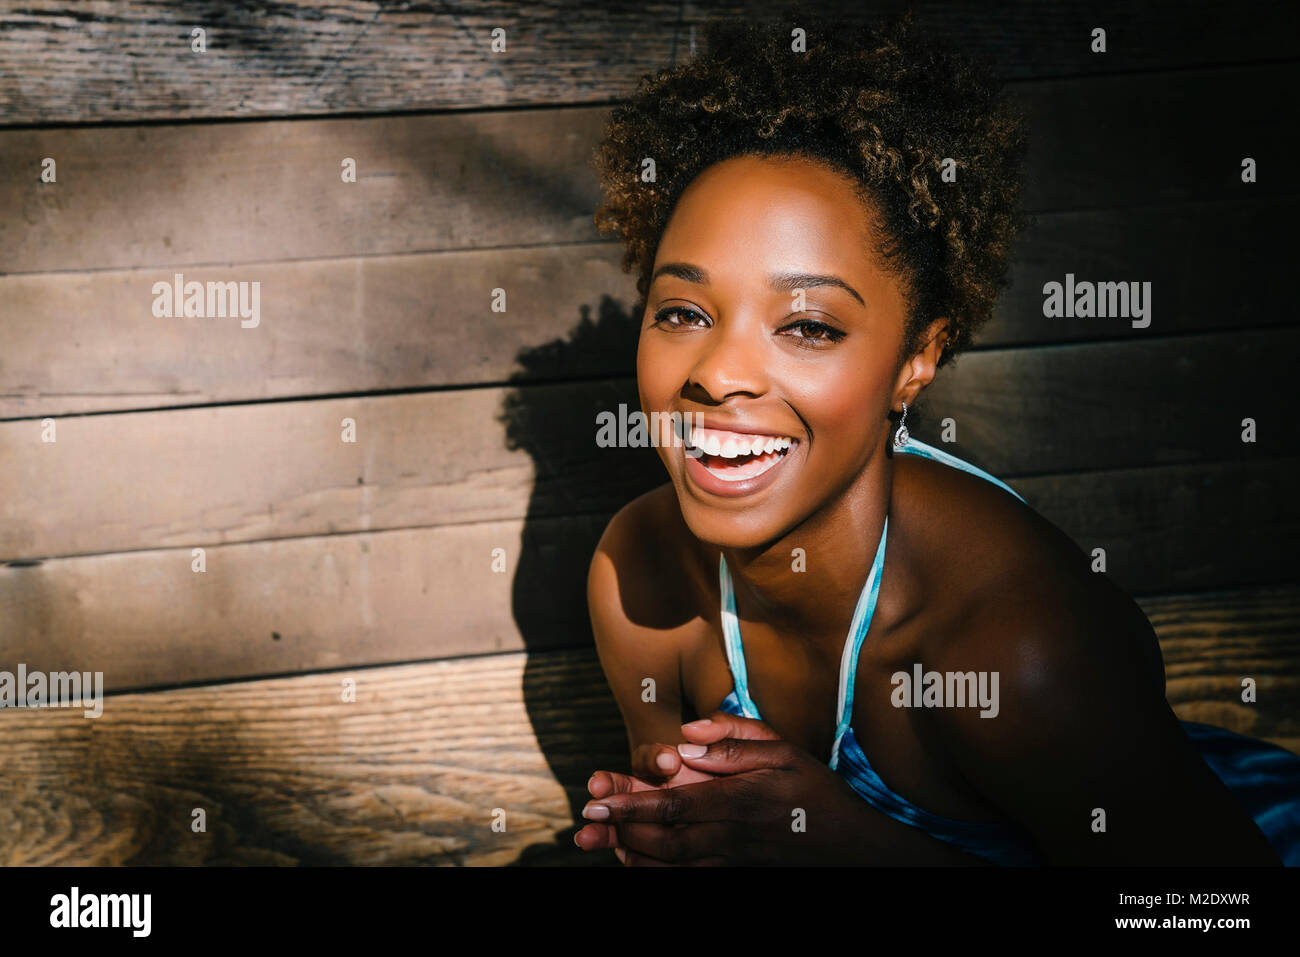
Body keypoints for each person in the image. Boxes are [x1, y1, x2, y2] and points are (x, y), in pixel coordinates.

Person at [575, 10, 1300, 865]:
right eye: (684, 312)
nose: (721, 373)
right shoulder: (643, 582)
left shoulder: (1017, 652)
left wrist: (851, 845)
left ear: (916, 361)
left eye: (808, 326)